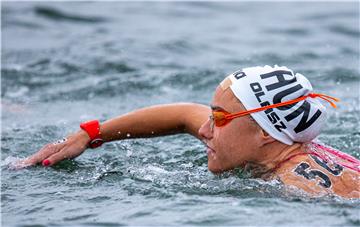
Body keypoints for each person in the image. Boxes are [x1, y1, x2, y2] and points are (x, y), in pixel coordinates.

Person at [20, 65, 360, 198]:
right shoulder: (259, 141)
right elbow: (183, 115)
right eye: (211, 116)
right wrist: (90, 134)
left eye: (219, 119)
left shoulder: (303, 186)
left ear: (267, 132)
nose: (203, 129)